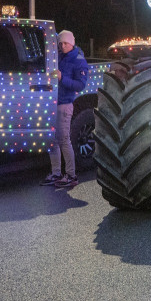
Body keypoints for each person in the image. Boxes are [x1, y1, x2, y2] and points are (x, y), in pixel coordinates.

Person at [41, 30, 89, 189]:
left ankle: (71, 175)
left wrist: (63, 78)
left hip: (65, 104)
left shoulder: (78, 60)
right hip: (53, 103)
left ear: (72, 43)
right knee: (52, 140)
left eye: (65, 43)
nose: (62, 46)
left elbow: (81, 85)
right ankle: (56, 173)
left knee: (63, 139)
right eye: (60, 43)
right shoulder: (59, 57)